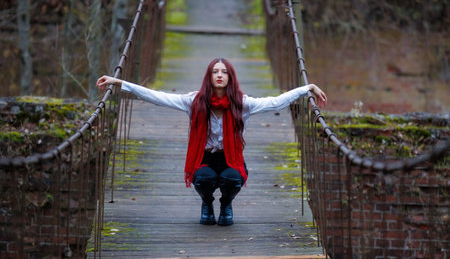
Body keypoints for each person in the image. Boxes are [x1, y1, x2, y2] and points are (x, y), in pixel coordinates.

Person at [96, 58, 327, 226]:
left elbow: (276, 103)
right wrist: (119, 83)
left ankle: (226, 204)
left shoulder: (242, 104)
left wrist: (307, 88)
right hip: (204, 157)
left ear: (230, 77)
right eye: (215, 71)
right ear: (209, 76)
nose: (219, 75)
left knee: (232, 178)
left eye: (224, 72)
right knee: (204, 179)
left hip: (230, 158)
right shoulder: (193, 102)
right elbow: (158, 98)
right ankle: (207, 203)